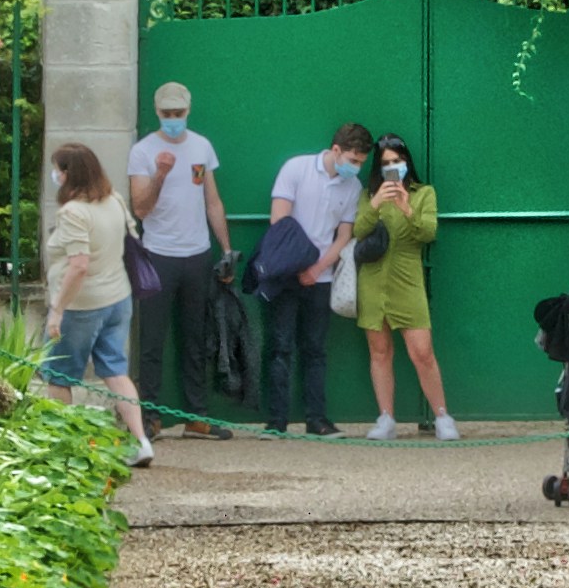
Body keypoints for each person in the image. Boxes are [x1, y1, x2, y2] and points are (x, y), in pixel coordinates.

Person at [125, 83, 238, 439]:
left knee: (196, 338)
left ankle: (196, 417)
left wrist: (226, 250)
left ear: (188, 111)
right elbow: (141, 208)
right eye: (167, 114)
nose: (173, 120)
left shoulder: (201, 146)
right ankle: (152, 417)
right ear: (157, 113)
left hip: (198, 254)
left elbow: (213, 201)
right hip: (158, 254)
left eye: (179, 114)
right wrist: (160, 173)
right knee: (153, 341)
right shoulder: (143, 151)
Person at [253, 122, 373, 435]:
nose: (356, 168)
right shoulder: (295, 168)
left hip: (321, 279)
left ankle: (316, 419)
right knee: (280, 346)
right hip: (284, 275)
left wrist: (317, 269)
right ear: (336, 150)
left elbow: (344, 235)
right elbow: (279, 219)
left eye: (361, 162)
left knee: (315, 349)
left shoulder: (353, 187)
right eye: (353, 160)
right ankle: (277, 421)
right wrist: (297, 264)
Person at [37, 139, 152, 466]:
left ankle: (62, 448)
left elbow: (79, 265)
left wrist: (57, 309)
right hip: (118, 298)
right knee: (116, 370)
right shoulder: (113, 199)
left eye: (57, 169)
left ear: (67, 173)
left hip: (80, 307)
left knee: (59, 374)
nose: (54, 174)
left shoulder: (74, 212)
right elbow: (133, 240)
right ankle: (141, 441)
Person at [350, 133, 453, 440]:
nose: (393, 168)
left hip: (408, 279)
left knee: (422, 351)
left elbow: (428, 233)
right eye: (386, 164)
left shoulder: (424, 193)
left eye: (397, 161)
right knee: (379, 352)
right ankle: (386, 418)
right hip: (373, 279)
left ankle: (443, 417)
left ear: (407, 162)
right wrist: (376, 203)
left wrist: (407, 208)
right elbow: (358, 230)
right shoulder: (369, 194)